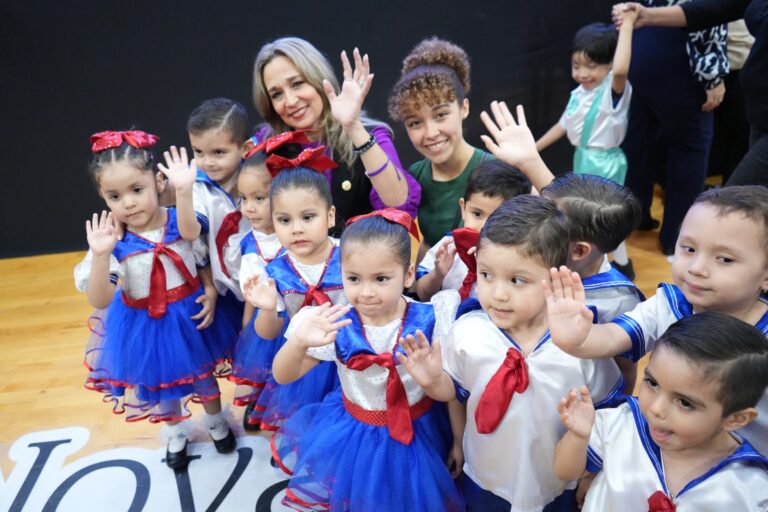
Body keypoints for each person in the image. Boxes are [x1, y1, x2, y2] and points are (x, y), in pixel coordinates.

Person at [399, 195, 623, 511]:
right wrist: (434, 380)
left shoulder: (582, 344)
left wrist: (589, 473)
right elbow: (459, 389)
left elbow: (604, 416)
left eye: (518, 280)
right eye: (487, 275)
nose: (498, 294)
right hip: (486, 474)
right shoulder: (469, 329)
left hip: (553, 482)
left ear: (555, 275)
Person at [545, 185, 768, 455]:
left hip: (745, 471)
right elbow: (614, 337)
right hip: (666, 447)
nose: (697, 268)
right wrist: (578, 338)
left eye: (724, 259)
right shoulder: (671, 305)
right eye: (688, 249)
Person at [269, 210, 464, 511]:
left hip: (420, 430)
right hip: (356, 433)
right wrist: (297, 342)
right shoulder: (336, 322)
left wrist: (456, 433)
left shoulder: (431, 319)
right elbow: (283, 375)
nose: (367, 292)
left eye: (381, 278)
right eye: (354, 279)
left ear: (408, 274)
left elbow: (450, 393)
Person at [75, 131, 236, 470]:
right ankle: (175, 431)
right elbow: (100, 298)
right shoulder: (113, 242)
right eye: (115, 196)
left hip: (188, 311)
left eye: (137, 190)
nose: (129, 203)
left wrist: (208, 289)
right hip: (143, 322)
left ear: (158, 181)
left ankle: (217, 422)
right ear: (103, 198)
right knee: (160, 383)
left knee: (203, 374)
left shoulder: (179, 222)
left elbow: (197, 248)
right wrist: (102, 256)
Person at [555, 312, 768, 510]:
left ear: (736, 418)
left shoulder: (751, 486)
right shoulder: (622, 423)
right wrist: (578, 437)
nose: (656, 409)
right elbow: (565, 471)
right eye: (652, 382)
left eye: (685, 403)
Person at [252, 37, 418, 236]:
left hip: (357, 263)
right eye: (276, 94)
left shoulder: (370, 135)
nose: (290, 101)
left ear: (319, 79)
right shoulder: (266, 147)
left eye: (297, 84)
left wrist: (352, 127)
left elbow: (399, 206)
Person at [610, 1, 729, 255]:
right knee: (689, 149)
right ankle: (676, 238)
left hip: (638, 49)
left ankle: (633, 219)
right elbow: (708, 17)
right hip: (679, 56)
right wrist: (712, 77)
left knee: (638, 143)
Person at [613, 1, 768, 189]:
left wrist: (711, 76)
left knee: (737, 203)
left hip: (699, 75)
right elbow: (720, 7)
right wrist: (648, 16)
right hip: (758, 114)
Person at [241, 162, 345, 432]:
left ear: (330, 215)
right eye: (285, 220)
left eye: (308, 217)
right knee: (309, 418)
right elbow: (269, 332)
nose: (296, 229)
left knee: (346, 418)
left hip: (349, 349)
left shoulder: (349, 254)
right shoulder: (275, 271)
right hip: (303, 356)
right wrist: (266, 309)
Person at [536, 15, 637, 276]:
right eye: (576, 65)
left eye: (591, 66)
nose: (582, 73)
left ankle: (621, 266)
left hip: (605, 161)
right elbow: (563, 126)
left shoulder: (612, 91)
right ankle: (612, 264)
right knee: (587, 217)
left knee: (601, 218)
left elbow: (622, 69)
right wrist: (533, 148)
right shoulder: (578, 94)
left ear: (610, 65)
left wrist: (626, 26)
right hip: (583, 158)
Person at [163, 98, 253, 361]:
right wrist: (183, 193)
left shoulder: (259, 176)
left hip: (262, 278)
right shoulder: (198, 187)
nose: (207, 162)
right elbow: (190, 233)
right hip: (225, 284)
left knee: (262, 345)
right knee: (238, 351)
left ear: (245, 148)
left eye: (219, 152)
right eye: (199, 152)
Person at [541, 174, 644, 393]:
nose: (531, 224)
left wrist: (614, 408)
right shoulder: (536, 260)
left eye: (543, 223)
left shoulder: (618, 300)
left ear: (579, 250)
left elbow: (625, 369)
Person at [388, 37, 492, 249]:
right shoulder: (414, 177)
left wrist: (530, 163)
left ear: (464, 108)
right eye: (415, 122)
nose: (431, 133)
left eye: (441, 115)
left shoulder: (495, 169)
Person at [223, 144, 285, 418]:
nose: (249, 208)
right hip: (265, 320)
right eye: (244, 198)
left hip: (296, 319)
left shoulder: (296, 238)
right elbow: (250, 291)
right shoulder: (246, 244)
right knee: (263, 363)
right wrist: (247, 326)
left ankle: (286, 406)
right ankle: (261, 402)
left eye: (259, 198)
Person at [415, 159, 531, 301]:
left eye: (498, 217)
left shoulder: (522, 254)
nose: (484, 226)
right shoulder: (448, 246)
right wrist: (438, 274)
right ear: (463, 208)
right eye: (477, 214)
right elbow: (423, 295)